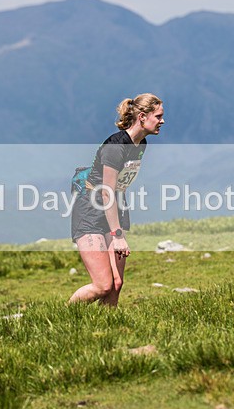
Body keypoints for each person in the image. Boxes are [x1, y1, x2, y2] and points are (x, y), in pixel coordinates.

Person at [68, 93, 164, 307]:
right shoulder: (116, 146)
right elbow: (106, 192)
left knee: (117, 283)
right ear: (142, 117)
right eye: (158, 116)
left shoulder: (141, 144)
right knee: (102, 285)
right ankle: (62, 316)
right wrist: (117, 235)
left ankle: (107, 324)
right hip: (91, 208)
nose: (162, 121)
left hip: (115, 206)